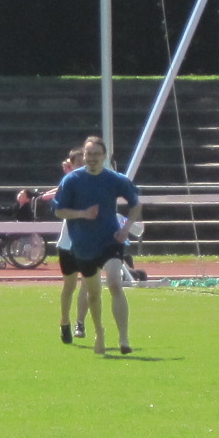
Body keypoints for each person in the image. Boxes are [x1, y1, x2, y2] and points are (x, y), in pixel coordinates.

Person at [53, 136, 142, 352]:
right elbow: (59, 210)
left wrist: (126, 228)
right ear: (83, 156)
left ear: (104, 156)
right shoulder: (72, 180)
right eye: (88, 154)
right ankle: (99, 332)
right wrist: (83, 214)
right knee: (93, 294)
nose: (92, 158)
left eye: (96, 154)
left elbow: (135, 204)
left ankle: (124, 339)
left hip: (110, 240)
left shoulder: (115, 179)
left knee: (114, 283)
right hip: (83, 246)